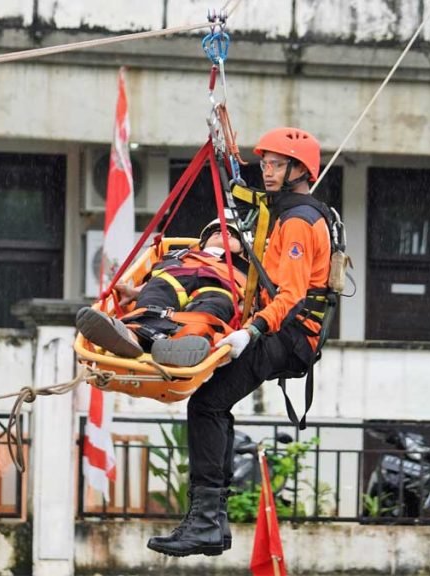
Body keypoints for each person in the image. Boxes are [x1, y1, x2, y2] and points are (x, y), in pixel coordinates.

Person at [146, 127, 333, 557]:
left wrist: (250, 332)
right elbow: (248, 195)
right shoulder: (286, 212)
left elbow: (292, 295)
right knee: (214, 403)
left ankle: (209, 522)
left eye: (275, 164)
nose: (265, 171)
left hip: (286, 335)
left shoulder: (301, 221)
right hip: (280, 331)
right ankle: (214, 523)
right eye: (264, 163)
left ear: (299, 170)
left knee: (207, 404)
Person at [76, 219, 247, 368]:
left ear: (243, 250)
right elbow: (153, 284)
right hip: (174, 279)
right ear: (202, 243)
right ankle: (131, 336)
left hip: (218, 286)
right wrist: (134, 291)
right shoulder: (182, 256)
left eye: (232, 234)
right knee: (156, 293)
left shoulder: (248, 270)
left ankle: (184, 343)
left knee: (211, 307)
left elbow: (253, 301)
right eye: (216, 231)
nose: (222, 233)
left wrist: (245, 313)